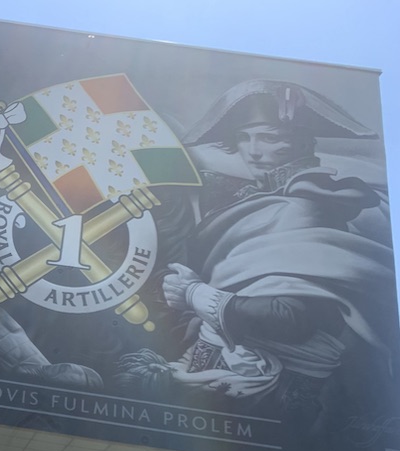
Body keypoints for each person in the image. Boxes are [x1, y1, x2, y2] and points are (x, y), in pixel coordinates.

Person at [154, 80, 394, 423]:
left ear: (299, 141)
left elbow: (290, 318)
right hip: (224, 388)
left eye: (269, 137)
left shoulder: (306, 206)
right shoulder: (270, 199)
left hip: (271, 401)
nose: (251, 151)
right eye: (243, 137)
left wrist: (195, 293)